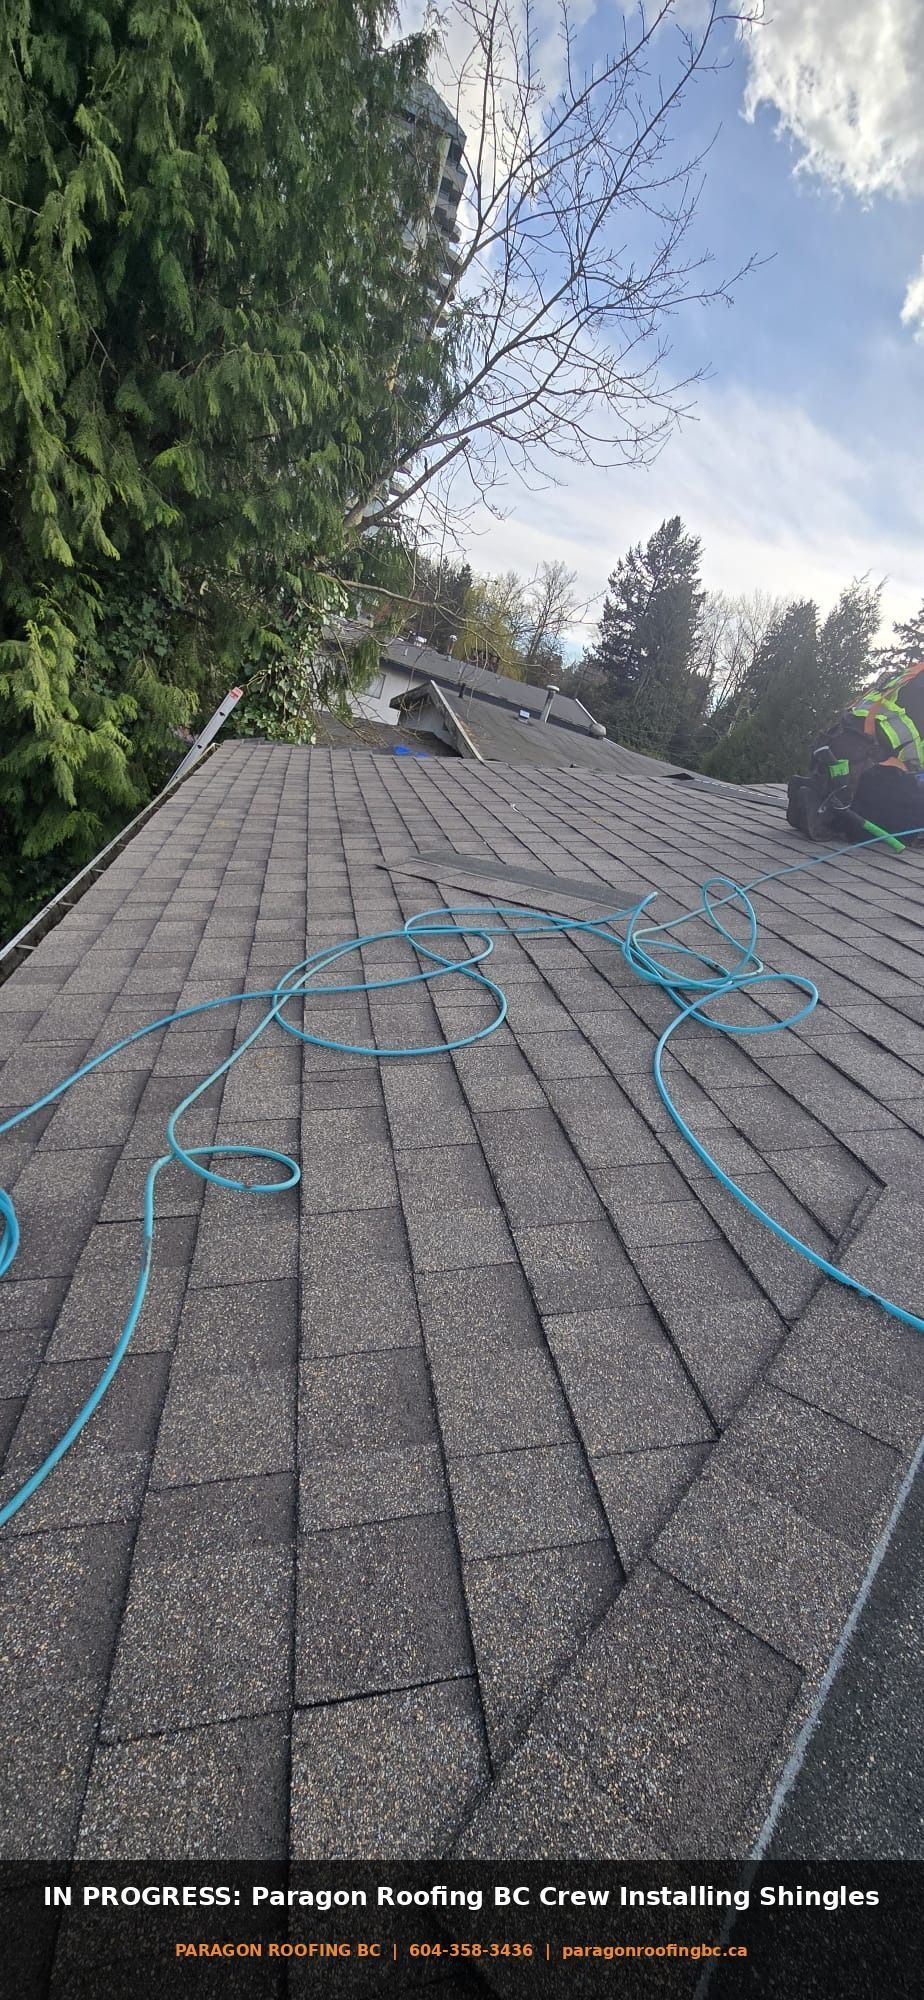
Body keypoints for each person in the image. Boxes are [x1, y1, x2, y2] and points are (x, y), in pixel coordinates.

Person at [786, 661, 924, 843]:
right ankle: (841, 818)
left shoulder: (913, 674)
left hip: (842, 774)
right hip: (867, 787)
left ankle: (829, 810)